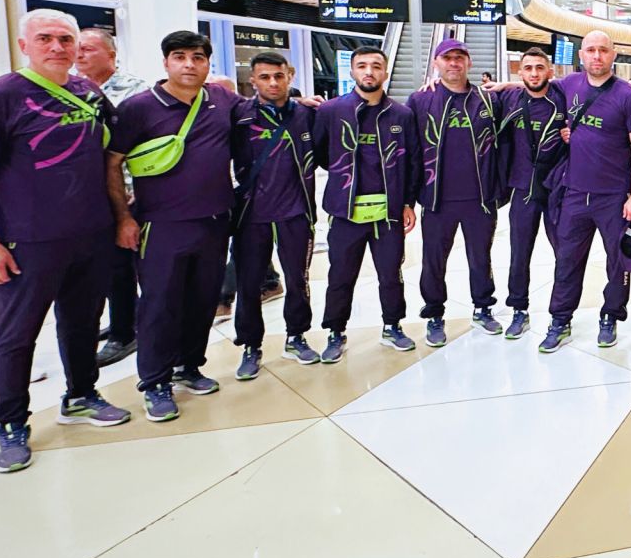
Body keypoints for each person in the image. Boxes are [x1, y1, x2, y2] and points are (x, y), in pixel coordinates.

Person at [0, 9, 130, 473]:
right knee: (16, 334)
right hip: (26, 239)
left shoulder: (89, 93)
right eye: (45, 38)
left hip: (90, 233)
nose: (57, 47)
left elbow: (111, 159)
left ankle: (81, 394)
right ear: (23, 45)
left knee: (82, 322)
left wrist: (119, 218)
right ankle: (10, 420)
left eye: (66, 39)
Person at [107, 31, 239, 423]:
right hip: (160, 225)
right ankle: (155, 381)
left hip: (214, 221)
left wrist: (304, 103)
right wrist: (123, 217)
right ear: (165, 62)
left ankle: (189, 366)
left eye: (198, 57)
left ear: (208, 63)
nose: (189, 64)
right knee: (160, 304)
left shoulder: (221, 100)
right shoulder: (139, 108)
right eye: (179, 56)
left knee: (203, 299)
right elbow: (112, 163)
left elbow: (258, 110)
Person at [540, 30, 631, 352]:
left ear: (613, 54)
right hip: (574, 192)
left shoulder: (629, 96)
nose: (597, 56)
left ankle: (611, 315)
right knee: (567, 260)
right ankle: (560, 319)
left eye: (603, 50)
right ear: (581, 55)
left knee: (618, 261)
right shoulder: (569, 84)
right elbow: (535, 87)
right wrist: (496, 87)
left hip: (613, 196)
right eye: (591, 50)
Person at [313, 46, 420, 351]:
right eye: (362, 66)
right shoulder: (331, 111)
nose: (369, 72)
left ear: (385, 72)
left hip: (388, 213)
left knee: (391, 274)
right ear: (352, 71)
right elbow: (320, 153)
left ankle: (392, 325)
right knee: (340, 276)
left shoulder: (401, 114)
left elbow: (412, 161)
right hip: (346, 211)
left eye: (375, 66)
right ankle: (335, 331)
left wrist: (408, 202)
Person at [407, 38, 504, 345]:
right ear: (436, 63)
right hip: (438, 198)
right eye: (447, 58)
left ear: (468, 63)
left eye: (459, 57)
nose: (453, 63)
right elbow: (410, 152)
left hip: (480, 198)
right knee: (433, 260)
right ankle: (434, 313)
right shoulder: (420, 100)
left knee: (481, 257)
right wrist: (409, 199)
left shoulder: (488, 100)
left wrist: (506, 84)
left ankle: (483, 307)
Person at [230, 51, 318, 379]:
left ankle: (296, 336)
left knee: (298, 279)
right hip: (251, 214)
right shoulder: (239, 115)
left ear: (289, 76)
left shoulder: (306, 115)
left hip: (295, 212)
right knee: (249, 283)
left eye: (278, 76)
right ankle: (250, 345)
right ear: (252, 80)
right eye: (264, 77)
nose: (272, 83)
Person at [75, 28, 148, 368]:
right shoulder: (73, 90)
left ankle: (125, 331)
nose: (79, 54)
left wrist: (133, 190)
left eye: (88, 49)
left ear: (111, 55)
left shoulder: (134, 92)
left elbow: (141, 145)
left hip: (127, 192)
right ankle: (124, 316)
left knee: (122, 264)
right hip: (88, 194)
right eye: (78, 48)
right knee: (103, 264)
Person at [496, 47, 566, 339]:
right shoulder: (509, 99)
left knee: (565, 254)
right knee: (519, 253)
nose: (534, 74)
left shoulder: (562, 97)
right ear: (520, 72)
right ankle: (518, 309)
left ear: (550, 71)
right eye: (528, 68)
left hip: (556, 189)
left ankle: (561, 314)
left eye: (540, 68)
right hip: (523, 188)